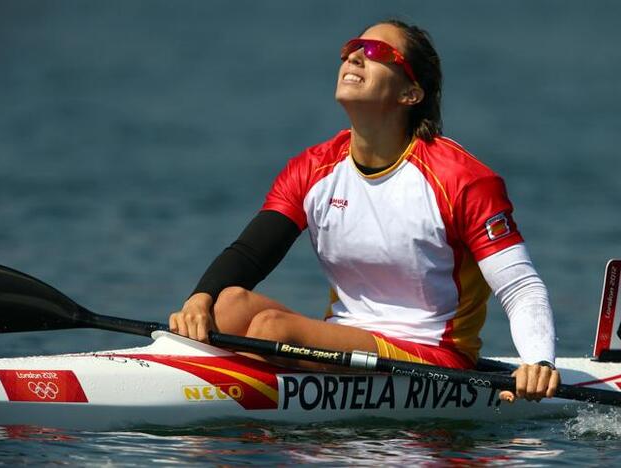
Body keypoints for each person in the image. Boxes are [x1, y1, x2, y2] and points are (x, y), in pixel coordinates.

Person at [169, 19, 560, 402]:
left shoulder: (462, 180)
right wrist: (198, 300)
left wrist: (538, 362)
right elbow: (251, 253)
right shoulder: (313, 168)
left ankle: (221, 400)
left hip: (432, 355)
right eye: (351, 48)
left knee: (272, 328)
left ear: (411, 93)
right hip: (343, 339)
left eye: (376, 52)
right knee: (228, 303)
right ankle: (203, 384)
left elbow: (520, 287)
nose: (355, 56)